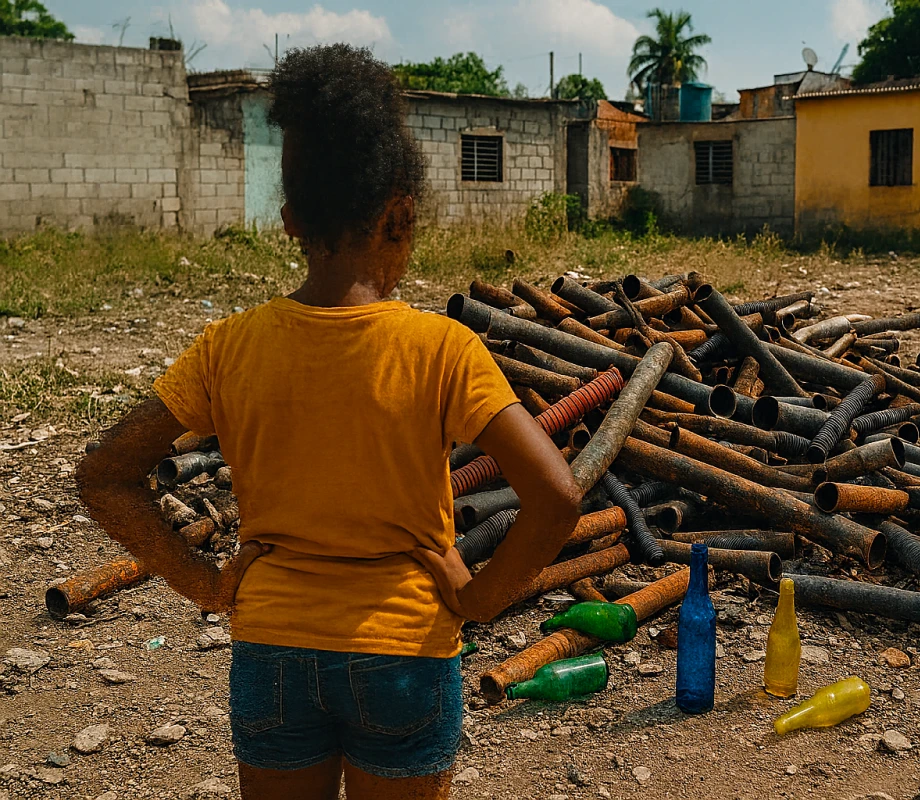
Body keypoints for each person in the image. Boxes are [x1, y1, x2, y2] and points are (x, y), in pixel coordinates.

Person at [75, 44, 582, 800]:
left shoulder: (229, 348)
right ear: (401, 215)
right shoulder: (442, 349)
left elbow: (104, 474)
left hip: (272, 650)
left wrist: (206, 584)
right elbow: (558, 497)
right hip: (406, 650)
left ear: (288, 221)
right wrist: (477, 599)